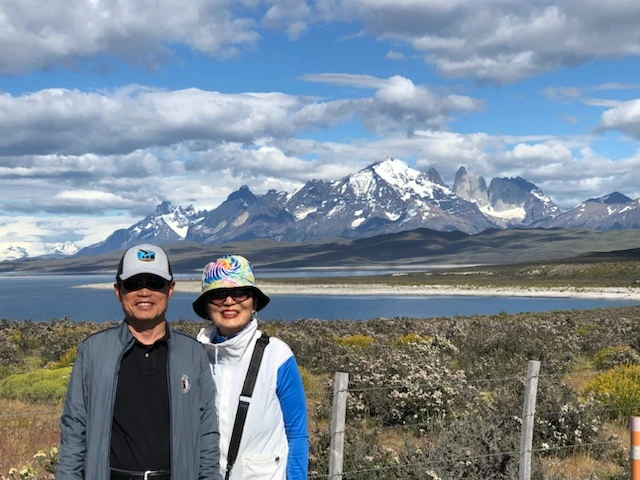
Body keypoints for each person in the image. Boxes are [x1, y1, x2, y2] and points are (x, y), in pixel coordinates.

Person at [57, 244, 222, 480]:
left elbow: (207, 434)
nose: (144, 292)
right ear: (118, 291)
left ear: (170, 289)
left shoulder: (193, 354)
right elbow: (74, 430)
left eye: (155, 283)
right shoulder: (93, 352)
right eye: (133, 283)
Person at [192, 254, 309, 480]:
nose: (229, 302)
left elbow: (297, 435)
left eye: (240, 293)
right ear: (207, 306)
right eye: (217, 295)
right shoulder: (195, 356)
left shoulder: (278, 355)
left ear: (254, 303)